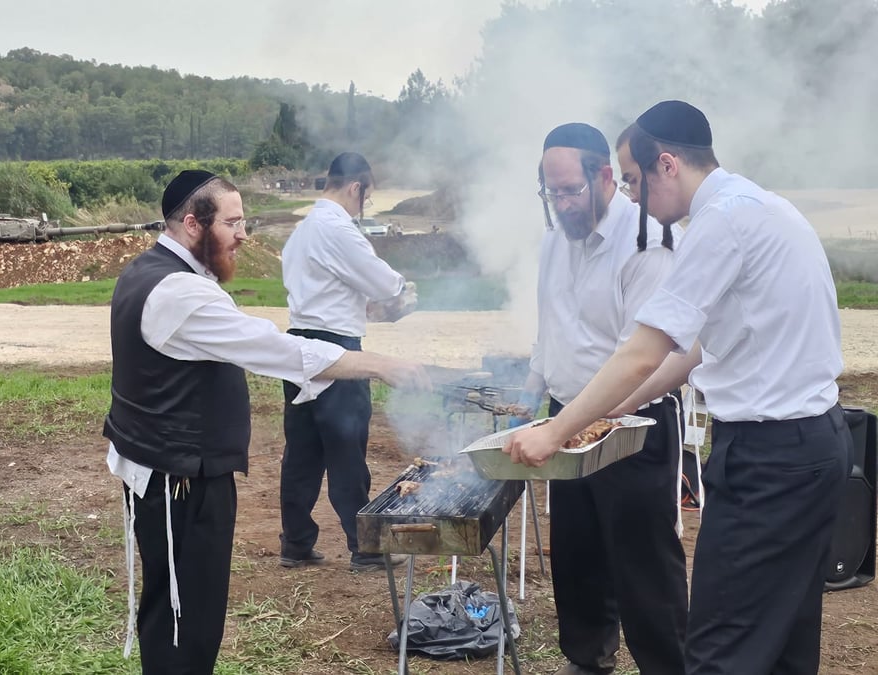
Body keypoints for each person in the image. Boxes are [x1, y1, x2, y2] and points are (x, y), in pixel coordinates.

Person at [504, 101, 850, 675]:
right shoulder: (759, 206)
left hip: (770, 460)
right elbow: (692, 352)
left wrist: (557, 432)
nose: (633, 197)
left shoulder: (721, 223)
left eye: (636, 180)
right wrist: (606, 413)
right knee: (786, 640)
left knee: (718, 650)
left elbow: (643, 351)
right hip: (812, 446)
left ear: (667, 164)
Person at [104, 169, 430, 675]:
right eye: (232, 223)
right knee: (186, 619)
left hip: (169, 471)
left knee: (176, 607)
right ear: (193, 223)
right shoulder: (179, 293)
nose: (243, 234)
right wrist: (381, 365)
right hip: (181, 480)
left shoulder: (150, 271)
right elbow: (277, 348)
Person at [515, 123, 687, 675]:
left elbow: (645, 356)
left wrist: (579, 421)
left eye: (569, 190)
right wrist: (530, 397)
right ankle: (587, 658)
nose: (561, 204)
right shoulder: (553, 241)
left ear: (605, 176)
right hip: (564, 417)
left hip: (633, 423)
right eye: (551, 192)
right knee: (577, 552)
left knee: (643, 560)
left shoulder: (647, 245)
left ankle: (668, 665)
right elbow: (551, 332)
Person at [278, 152, 419, 573]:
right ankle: (366, 549)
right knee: (346, 448)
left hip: (299, 343)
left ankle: (296, 543)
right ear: (356, 187)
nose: (363, 207)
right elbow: (383, 281)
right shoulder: (338, 228)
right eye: (366, 198)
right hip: (338, 347)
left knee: (301, 450)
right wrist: (402, 289)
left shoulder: (300, 232)